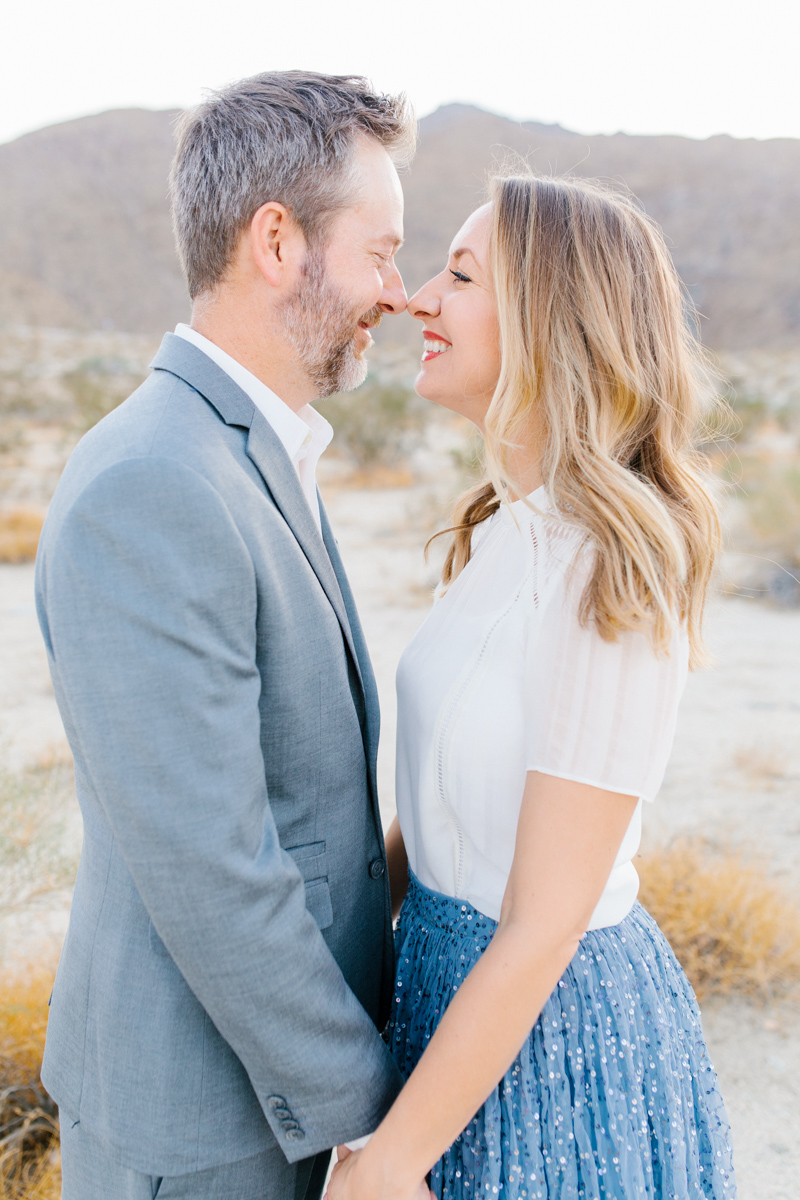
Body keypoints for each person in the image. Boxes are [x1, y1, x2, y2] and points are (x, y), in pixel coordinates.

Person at [35, 71, 429, 1200]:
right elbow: (211, 863)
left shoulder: (247, 453)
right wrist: (366, 1120)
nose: (393, 293)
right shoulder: (156, 480)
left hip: (265, 1102)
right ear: (276, 242)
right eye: (379, 251)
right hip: (204, 1133)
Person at [328, 176, 737, 1199]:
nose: (418, 298)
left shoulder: (607, 561)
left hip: (549, 1040)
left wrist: (387, 1164)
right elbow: (440, 813)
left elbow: (546, 917)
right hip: (443, 1001)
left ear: (552, 323)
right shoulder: (502, 534)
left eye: (458, 276)